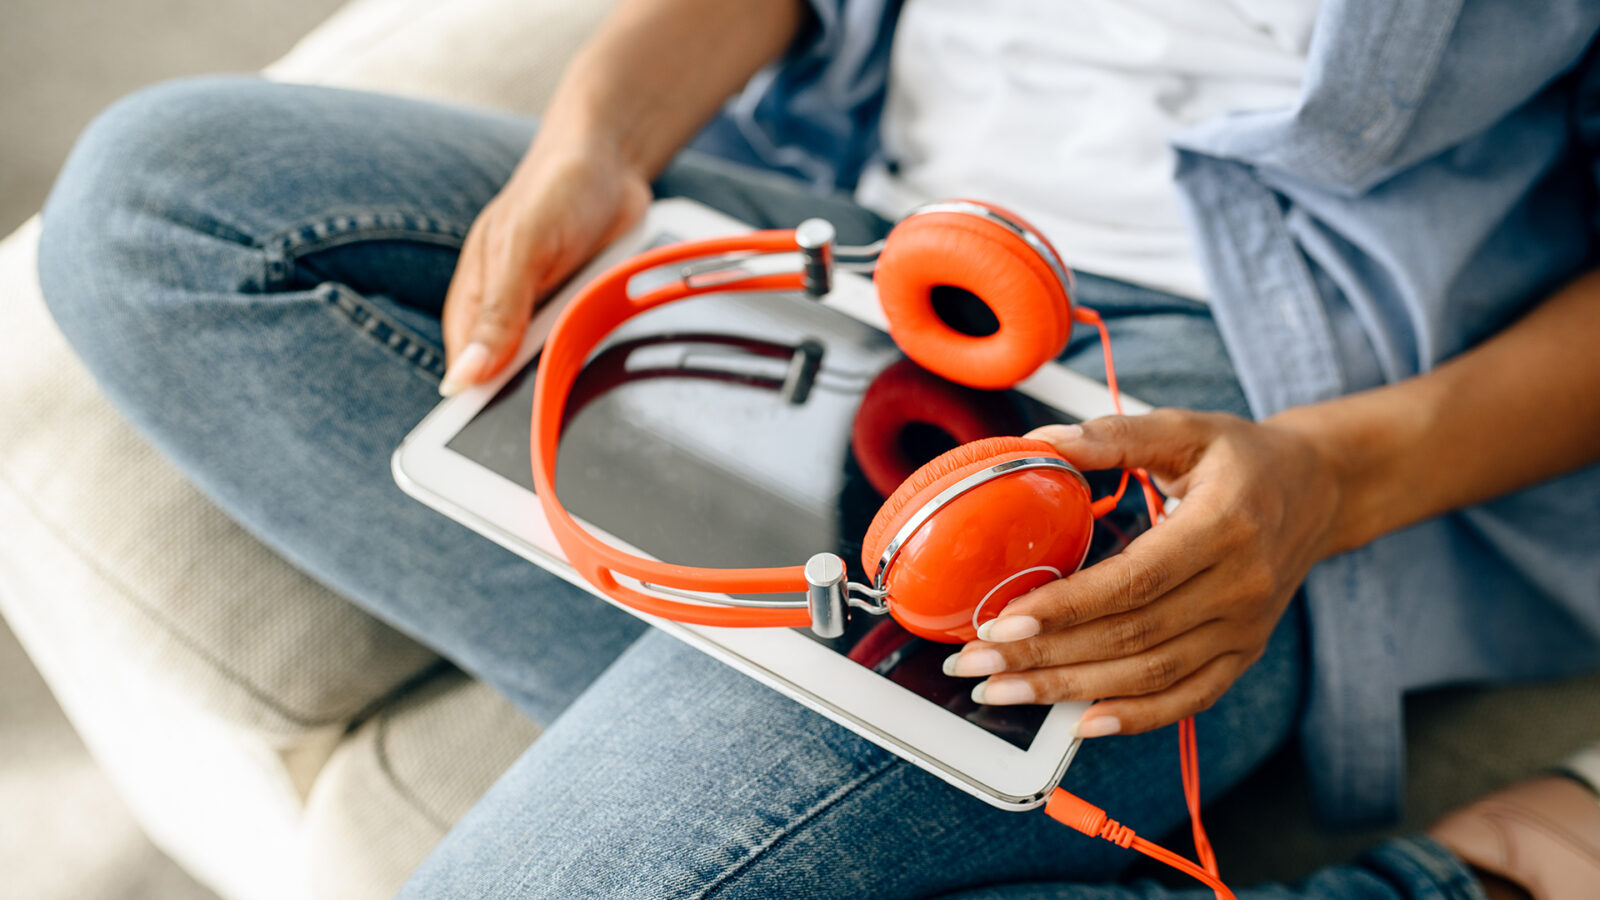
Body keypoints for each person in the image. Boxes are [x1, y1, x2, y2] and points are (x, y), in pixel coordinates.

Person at [35, 0, 1600, 896]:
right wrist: (602, 141)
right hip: (872, 252)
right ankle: (868, 787)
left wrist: (1332, 482)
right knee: (156, 205)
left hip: (1236, 393)